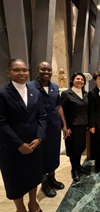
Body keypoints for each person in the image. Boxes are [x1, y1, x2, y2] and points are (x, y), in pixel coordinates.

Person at [0, 59, 46, 212]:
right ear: (9, 73)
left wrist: (39, 138)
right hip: (12, 148)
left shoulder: (35, 92)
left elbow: (42, 116)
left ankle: (33, 202)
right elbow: (1, 122)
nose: (21, 73)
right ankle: (20, 208)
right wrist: (19, 144)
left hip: (34, 145)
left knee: (33, 176)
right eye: (17, 70)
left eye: (24, 70)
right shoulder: (3, 93)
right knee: (14, 180)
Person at [28, 61, 67, 197]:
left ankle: (52, 178)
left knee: (53, 152)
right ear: (37, 70)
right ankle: (44, 183)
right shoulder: (30, 87)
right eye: (43, 70)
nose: (46, 72)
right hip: (39, 127)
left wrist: (64, 125)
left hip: (54, 125)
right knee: (42, 155)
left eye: (49, 70)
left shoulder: (55, 87)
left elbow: (59, 107)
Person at [61, 72, 88, 182]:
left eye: (82, 79)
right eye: (78, 79)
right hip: (72, 127)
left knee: (81, 147)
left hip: (83, 126)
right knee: (73, 149)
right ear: (72, 80)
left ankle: (78, 166)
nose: (80, 81)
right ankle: (74, 170)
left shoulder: (85, 94)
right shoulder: (66, 94)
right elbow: (63, 112)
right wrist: (65, 127)